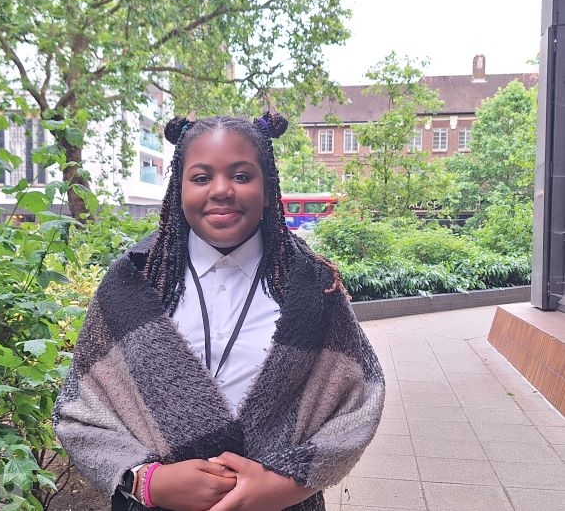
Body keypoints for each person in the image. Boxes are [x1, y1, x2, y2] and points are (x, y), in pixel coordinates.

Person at [53, 113, 385, 511]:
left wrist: (282, 485)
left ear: (267, 187)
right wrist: (147, 481)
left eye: (242, 176)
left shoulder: (311, 286)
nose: (222, 190)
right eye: (201, 177)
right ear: (179, 187)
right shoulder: (132, 283)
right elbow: (78, 409)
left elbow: (360, 399)